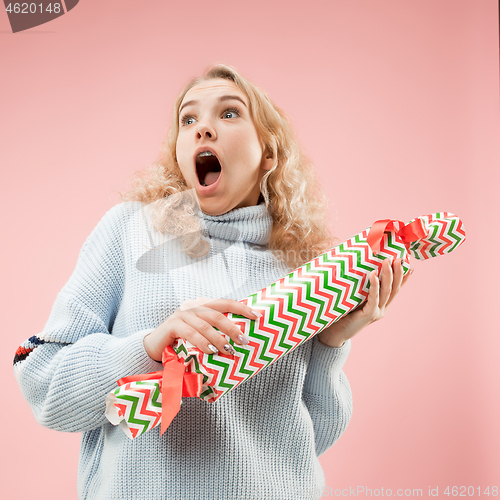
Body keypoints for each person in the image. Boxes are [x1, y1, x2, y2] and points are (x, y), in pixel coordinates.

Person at [14, 64, 410, 500]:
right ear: (179, 151)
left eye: (229, 113)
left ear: (269, 153)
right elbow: (44, 383)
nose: (203, 128)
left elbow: (310, 442)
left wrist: (330, 346)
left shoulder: (302, 269)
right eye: (189, 119)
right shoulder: (133, 230)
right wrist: (150, 345)